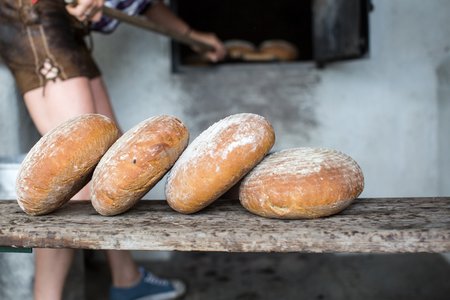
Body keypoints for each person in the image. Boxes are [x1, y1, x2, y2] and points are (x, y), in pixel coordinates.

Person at [0, 0, 225, 299]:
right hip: (34, 12)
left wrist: (190, 34)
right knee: (73, 178)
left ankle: (127, 280)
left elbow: (143, 4)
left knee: (111, 156)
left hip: (64, 21)